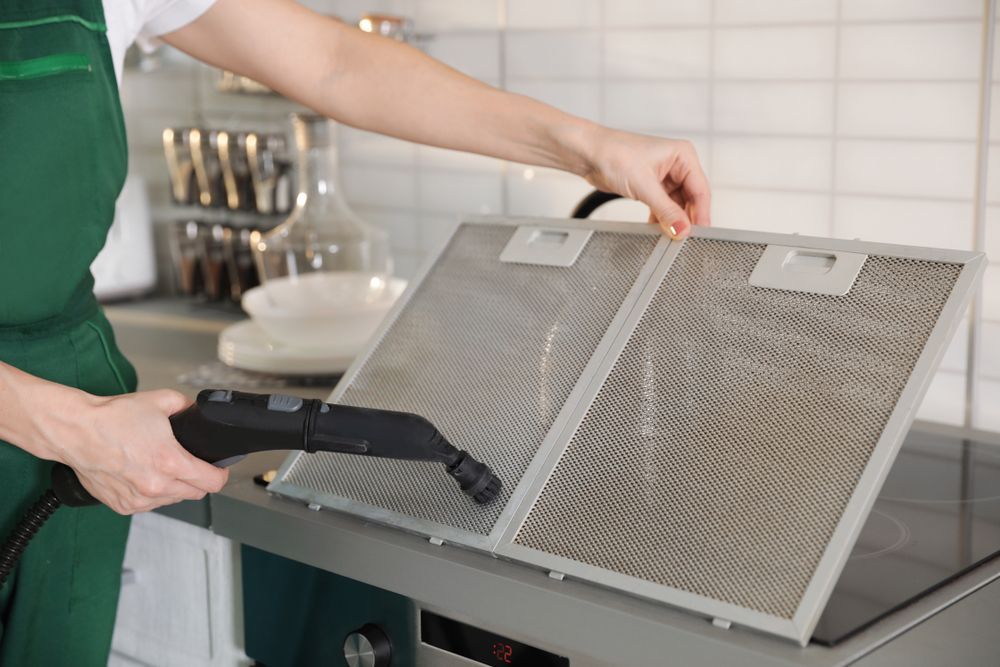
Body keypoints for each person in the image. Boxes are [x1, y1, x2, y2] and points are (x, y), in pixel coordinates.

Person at [0, 0, 711, 663]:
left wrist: (591, 149)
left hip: (78, 386)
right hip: (67, 423)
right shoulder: (80, 428)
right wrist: (71, 427)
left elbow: (335, 64)